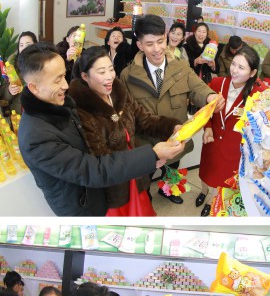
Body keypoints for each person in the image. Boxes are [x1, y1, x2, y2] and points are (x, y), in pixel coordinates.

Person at [16, 43, 182, 216]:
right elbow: (92, 169)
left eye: (64, 76)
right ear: (34, 87)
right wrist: (151, 155)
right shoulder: (36, 136)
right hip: (86, 205)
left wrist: (170, 128)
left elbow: (143, 119)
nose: (65, 85)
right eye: (57, 80)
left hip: (117, 177)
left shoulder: (62, 102)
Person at [120, 14, 224, 205]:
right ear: (140, 45)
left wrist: (210, 97)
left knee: (173, 169)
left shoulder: (181, 66)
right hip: (146, 143)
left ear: (165, 37)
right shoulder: (128, 76)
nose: (157, 49)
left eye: (160, 41)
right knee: (144, 178)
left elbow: (197, 87)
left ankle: (168, 191)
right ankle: (145, 197)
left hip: (176, 137)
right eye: (150, 44)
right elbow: (126, 113)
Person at [69, 46, 183, 216]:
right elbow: (101, 159)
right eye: (101, 72)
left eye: (111, 69)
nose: (109, 76)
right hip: (114, 184)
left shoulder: (118, 91)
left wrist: (171, 126)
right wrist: (149, 158)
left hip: (134, 173)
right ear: (85, 76)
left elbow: (143, 119)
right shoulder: (80, 110)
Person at [198, 46, 267, 216]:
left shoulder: (257, 94)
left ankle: (212, 202)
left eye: (241, 67)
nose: (234, 70)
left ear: (252, 73)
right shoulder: (217, 83)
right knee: (206, 171)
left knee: (223, 179)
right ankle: (203, 192)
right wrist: (207, 127)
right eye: (234, 64)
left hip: (234, 147)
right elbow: (205, 110)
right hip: (212, 139)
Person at [1, 31, 37, 113]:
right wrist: (9, 91)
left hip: (36, 113)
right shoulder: (11, 66)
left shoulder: (43, 64)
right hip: (16, 114)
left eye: (28, 45)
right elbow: (3, 96)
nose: (24, 48)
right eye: (21, 45)